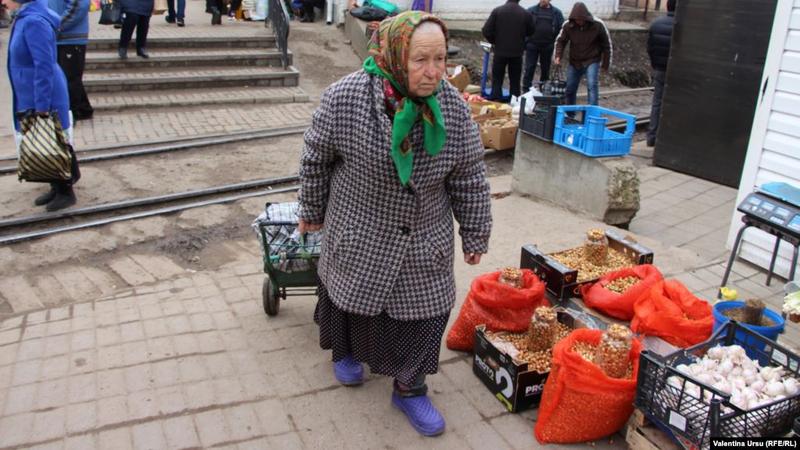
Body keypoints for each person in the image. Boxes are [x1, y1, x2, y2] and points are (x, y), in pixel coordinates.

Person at [297, 11, 492, 437]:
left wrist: (475, 232)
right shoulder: (345, 98)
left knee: (424, 313)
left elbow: (470, 177)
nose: (433, 71)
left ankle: (409, 387)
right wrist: (311, 210)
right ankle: (346, 354)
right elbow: (315, 159)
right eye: (420, 60)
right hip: (359, 227)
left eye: (441, 59)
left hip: (423, 235)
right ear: (394, 55)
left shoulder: (453, 109)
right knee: (350, 302)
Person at [8, 0, 78, 210]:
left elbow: (44, 65)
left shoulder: (34, 22)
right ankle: (57, 185)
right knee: (44, 139)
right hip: (31, 91)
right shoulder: (25, 18)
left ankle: (66, 190)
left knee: (52, 138)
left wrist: (42, 105)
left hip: (42, 93)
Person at [555, 2, 612, 106]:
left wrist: (605, 64)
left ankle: (592, 113)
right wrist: (558, 56)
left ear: (586, 17)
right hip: (574, 61)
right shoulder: (568, 26)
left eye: (581, 19)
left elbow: (606, 45)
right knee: (570, 88)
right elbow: (561, 41)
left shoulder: (598, 25)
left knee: (592, 86)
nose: (579, 22)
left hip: (592, 59)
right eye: (577, 20)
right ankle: (570, 112)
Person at [48, 0, 94, 121]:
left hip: (70, 38)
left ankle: (74, 111)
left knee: (70, 78)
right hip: (59, 38)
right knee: (67, 77)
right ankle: (82, 109)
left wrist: (57, 24)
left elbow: (80, 5)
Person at [481, 0, 533, 100]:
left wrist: (495, 41)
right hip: (517, 52)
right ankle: (514, 103)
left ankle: (496, 101)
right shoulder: (525, 13)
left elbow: (486, 30)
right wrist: (522, 42)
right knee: (515, 80)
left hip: (500, 51)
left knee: (497, 79)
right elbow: (531, 31)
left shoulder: (497, 11)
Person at [646, 0, 676, 147]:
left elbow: (650, 47)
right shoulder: (682, 27)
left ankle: (651, 137)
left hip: (659, 69)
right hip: (675, 72)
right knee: (672, 104)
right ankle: (666, 140)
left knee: (656, 103)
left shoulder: (656, 24)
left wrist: (655, 64)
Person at [522, 0, 563, 93]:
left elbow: (562, 30)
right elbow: (523, 27)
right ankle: (525, 90)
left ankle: (544, 90)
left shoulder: (557, 13)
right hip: (532, 45)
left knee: (545, 69)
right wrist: (526, 42)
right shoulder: (530, 11)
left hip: (548, 46)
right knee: (529, 68)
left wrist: (555, 43)